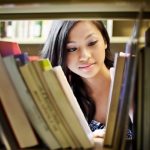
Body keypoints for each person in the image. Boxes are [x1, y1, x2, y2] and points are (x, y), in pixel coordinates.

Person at [41, 20, 133, 138]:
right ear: (60, 53)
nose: (85, 56)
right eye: (72, 49)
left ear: (105, 41)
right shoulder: (61, 97)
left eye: (92, 43)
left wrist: (132, 106)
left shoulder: (134, 80)